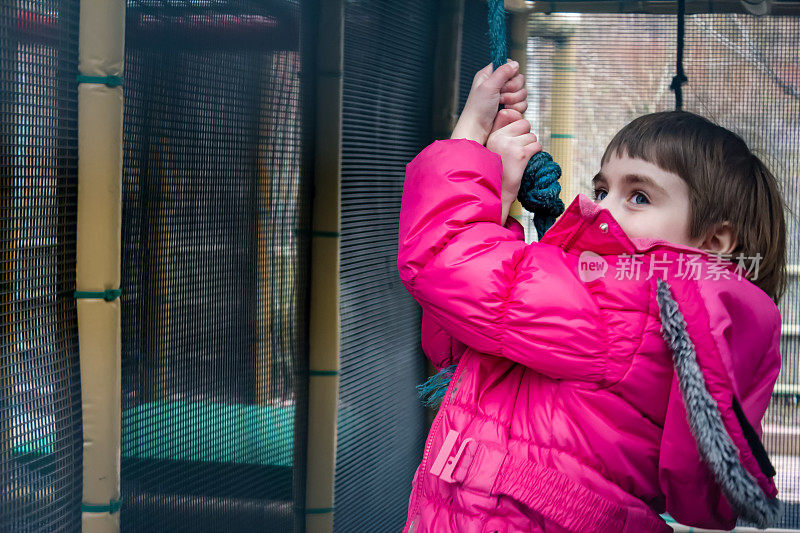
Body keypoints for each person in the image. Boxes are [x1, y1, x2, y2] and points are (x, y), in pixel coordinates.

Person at [397, 61, 787, 532]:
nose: (600, 208)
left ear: (715, 242)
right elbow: (463, 346)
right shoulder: (629, 306)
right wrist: (499, 200)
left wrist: (470, 134)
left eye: (639, 196)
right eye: (602, 189)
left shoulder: (624, 304)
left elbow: (444, 262)